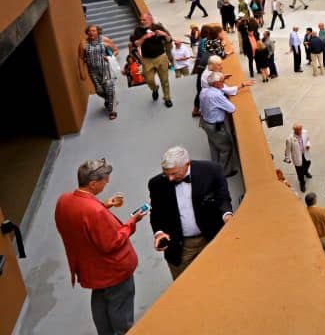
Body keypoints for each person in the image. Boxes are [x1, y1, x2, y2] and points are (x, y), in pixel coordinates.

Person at [55, 158, 144, 335]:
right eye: (105, 180)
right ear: (93, 184)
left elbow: (80, 220)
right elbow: (112, 242)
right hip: (113, 271)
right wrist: (132, 222)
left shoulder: (64, 201)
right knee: (121, 315)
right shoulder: (94, 211)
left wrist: (104, 206)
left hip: (92, 271)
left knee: (101, 307)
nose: (107, 182)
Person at [149, 146, 233, 279]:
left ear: (187, 164)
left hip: (212, 238)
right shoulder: (156, 184)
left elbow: (222, 199)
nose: (170, 179)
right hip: (181, 246)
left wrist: (227, 214)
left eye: (174, 173)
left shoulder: (211, 170)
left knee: (221, 276)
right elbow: (156, 214)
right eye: (166, 174)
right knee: (183, 283)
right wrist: (159, 233)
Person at [198, 72, 239, 176]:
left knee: (214, 146)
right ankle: (223, 172)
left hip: (205, 122)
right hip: (215, 127)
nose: (224, 82)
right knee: (226, 148)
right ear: (216, 84)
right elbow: (231, 108)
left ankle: (214, 166)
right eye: (222, 81)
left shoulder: (204, 91)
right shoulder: (216, 95)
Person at [132, 13, 174, 107]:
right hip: (147, 59)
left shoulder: (158, 27)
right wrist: (144, 37)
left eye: (144, 20)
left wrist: (164, 34)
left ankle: (167, 98)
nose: (142, 22)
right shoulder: (138, 30)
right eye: (141, 20)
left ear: (150, 19)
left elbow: (169, 40)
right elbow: (136, 44)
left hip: (161, 57)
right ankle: (155, 89)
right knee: (148, 79)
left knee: (164, 80)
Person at [79, 24, 119, 120]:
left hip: (106, 69)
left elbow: (115, 50)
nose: (91, 33)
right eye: (89, 31)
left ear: (98, 32)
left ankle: (112, 110)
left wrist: (109, 57)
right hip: (93, 71)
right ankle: (109, 99)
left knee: (109, 88)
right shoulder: (83, 43)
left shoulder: (104, 40)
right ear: (87, 32)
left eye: (93, 31)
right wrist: (81, 71)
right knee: (99, 90)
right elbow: (80, 58)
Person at [284, 124, 312, 192]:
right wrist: (287, 158)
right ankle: (302, 183)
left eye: (301, 129)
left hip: (305, 153)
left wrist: (308, 144)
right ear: (294, 130)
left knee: (308, 163)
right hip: (297, 156)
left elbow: (308, 140)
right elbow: (287, 150)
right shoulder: (290, 139)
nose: (300, 131)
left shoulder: (305, 132)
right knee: (299, 172)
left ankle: (306, 172)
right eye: (298, 130)